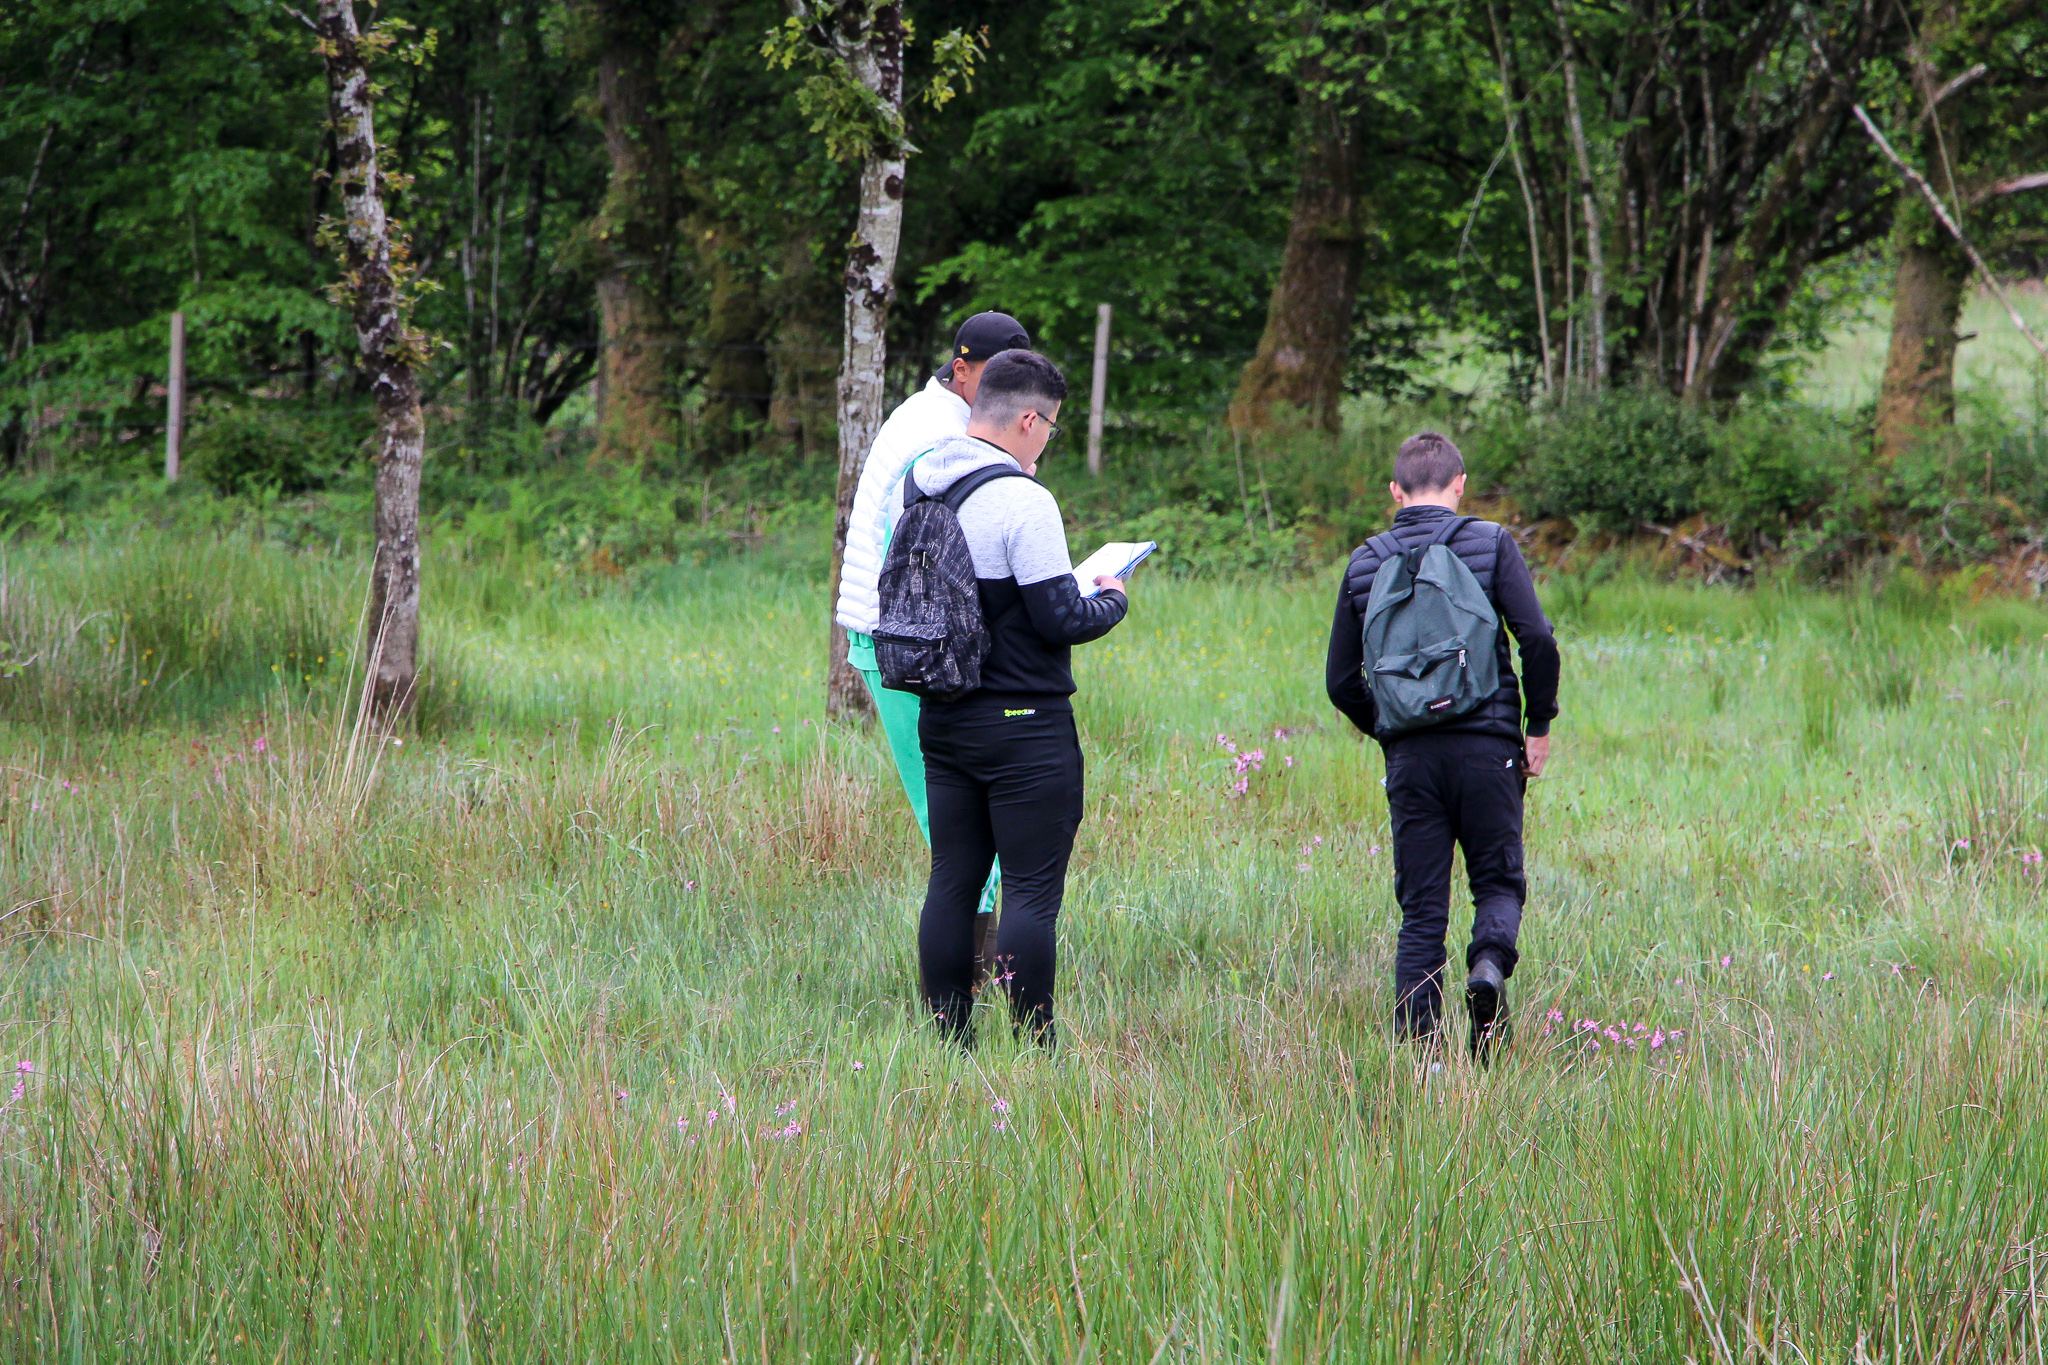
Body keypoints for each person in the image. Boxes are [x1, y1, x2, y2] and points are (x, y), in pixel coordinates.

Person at [909, 349, 1128, 1049]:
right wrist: (1113, 598)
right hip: (1024, 724)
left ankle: (950, 1039)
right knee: (1030, 892)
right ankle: (1037, 1047)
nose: (1048, 439)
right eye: (1052, 427)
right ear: (1028, 419)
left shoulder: (923, 482)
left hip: (944, 714)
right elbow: (1060, 617)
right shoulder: (1023, 502)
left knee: (953, 878)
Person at [1324, 431, 1560, 1057]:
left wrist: (1391, 729)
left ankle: (1422, 1063)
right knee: (1498, 884)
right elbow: (1536, 638)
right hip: (1489, 748)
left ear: (1395, 493)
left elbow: (1340, 682)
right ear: (1460, 486)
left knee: (1423, 912)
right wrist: (1538, 726)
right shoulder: (1491, 544)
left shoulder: (1365, 561)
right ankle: (1486, 971)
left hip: (1412, 758)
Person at [836, 312, 1032, 966]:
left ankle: (988, 969)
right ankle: (974, 978)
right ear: (963, 368)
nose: (1010, 397)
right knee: (953, 819)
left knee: (967, 815)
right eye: (998, 379)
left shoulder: (948, 419)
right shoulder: (935, 434)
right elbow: (933, 548)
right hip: (903, 642)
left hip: (922, 635)